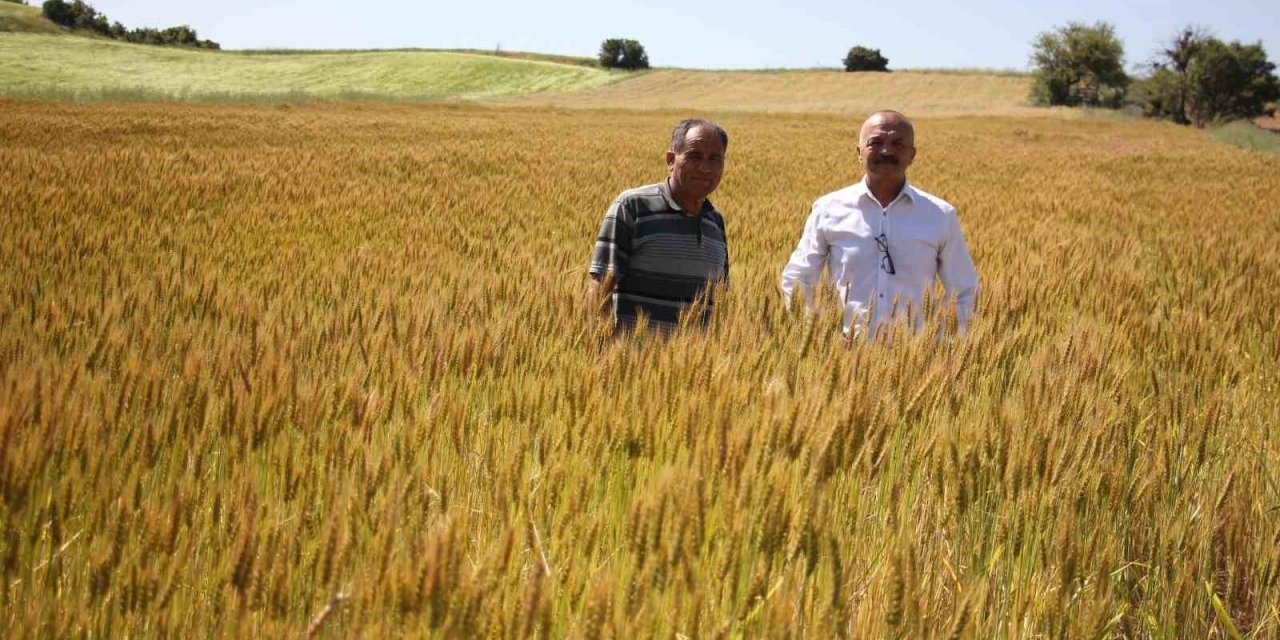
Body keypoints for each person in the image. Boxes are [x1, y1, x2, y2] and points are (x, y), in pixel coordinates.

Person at [779, 110, 978, 337]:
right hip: (845, 356)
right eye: (876, 142)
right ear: (859, 152)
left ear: (912, 154)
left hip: (918, 357)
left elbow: (965, 292)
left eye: (897, 143)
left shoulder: (940, 215)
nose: (886, 151)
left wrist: (945, 342)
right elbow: (798, 277)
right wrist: (816, 332)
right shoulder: (828, 209)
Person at [587, 118, 731, 333]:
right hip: (630, 362)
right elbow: (600, 288)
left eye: (714, 159)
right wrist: (598, 347)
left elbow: (720, 300)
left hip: (695, 364)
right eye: (694, 156)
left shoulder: (715, 222)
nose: (705, 168)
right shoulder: (632, 207)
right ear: (671, 160)